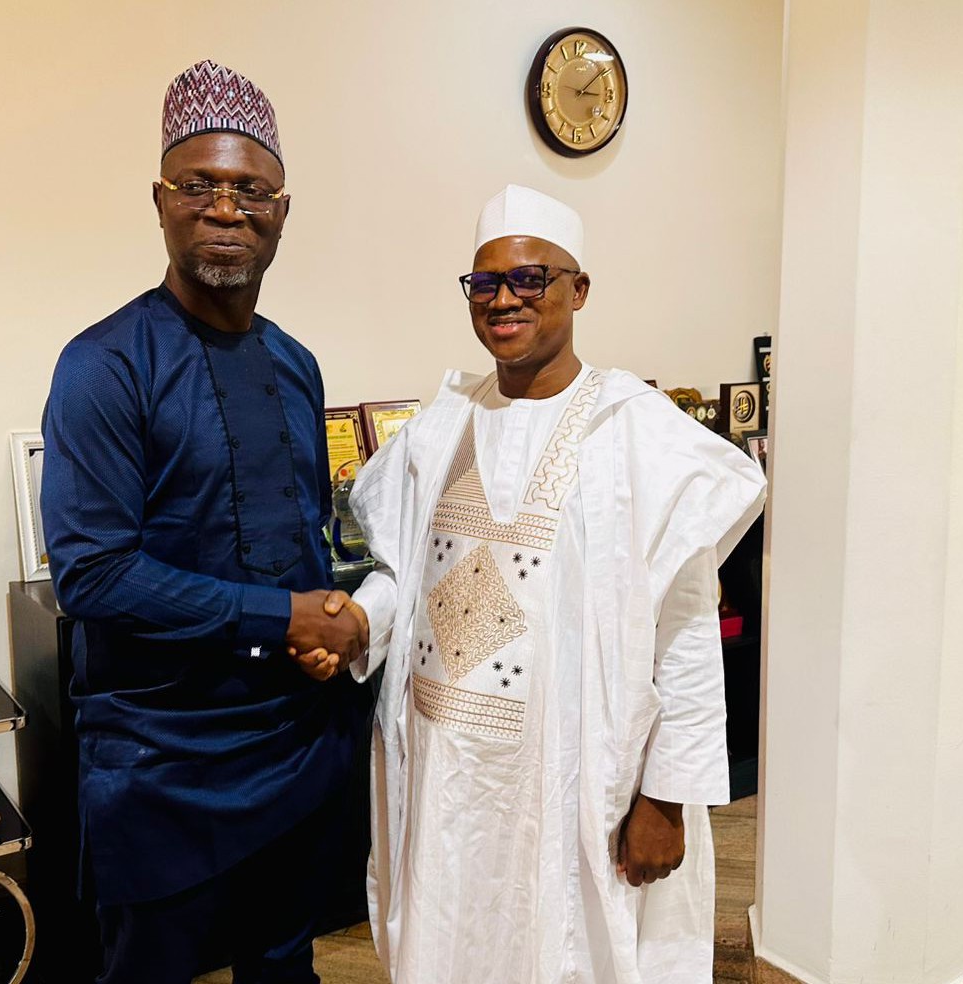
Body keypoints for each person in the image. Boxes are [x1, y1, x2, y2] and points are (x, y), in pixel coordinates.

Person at [322, 185, 766, 982]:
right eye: (485, 282)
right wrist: (359, 621)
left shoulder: (640, 436)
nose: (504, 299)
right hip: (445, 782)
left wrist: (667, 800)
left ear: (578, 290)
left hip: (574, 784)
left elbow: (688, 632)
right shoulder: (439, 427)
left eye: (530, 279)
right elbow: (416, 577)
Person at [40, 58, 366, 984]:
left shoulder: (297, 366)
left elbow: (302, 533)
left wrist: (324, 630)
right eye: (200, 185)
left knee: (284, 964)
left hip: (295, 744)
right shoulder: (105, 366)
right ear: (160, 201)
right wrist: (284, 618)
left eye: (250, 190)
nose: (227, 208)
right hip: (161, 763)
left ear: (282, 211)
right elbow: (94, 574)